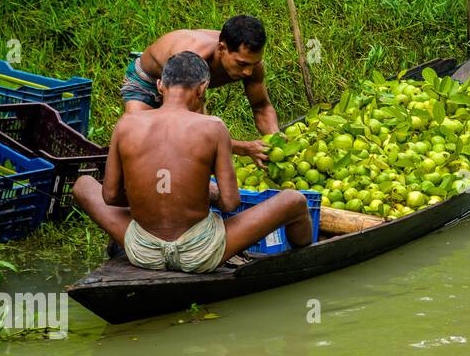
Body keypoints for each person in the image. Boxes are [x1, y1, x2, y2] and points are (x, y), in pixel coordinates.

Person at [76, 51, 313, 273]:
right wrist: (205, 194)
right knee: (294, 200)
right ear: (202, 89)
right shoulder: (213, 126)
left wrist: (151, 197)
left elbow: (111, 197)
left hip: (143, 250)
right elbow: (231, 203)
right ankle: (304, 257)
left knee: (83, 185)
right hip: (200, 252)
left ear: (160, 85)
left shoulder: (127, 123)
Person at [121, 15, 277, 163]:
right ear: (222, 48)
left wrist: (277, 140)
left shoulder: (250, 63)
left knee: (191, 156)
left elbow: (261, 107)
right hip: (147, 80)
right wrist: (244, 148)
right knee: (139, 142)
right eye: (242, 64)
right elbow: (195, 127)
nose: (248, 72)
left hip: (186, 86)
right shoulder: (191, 60)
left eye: (254, 64)